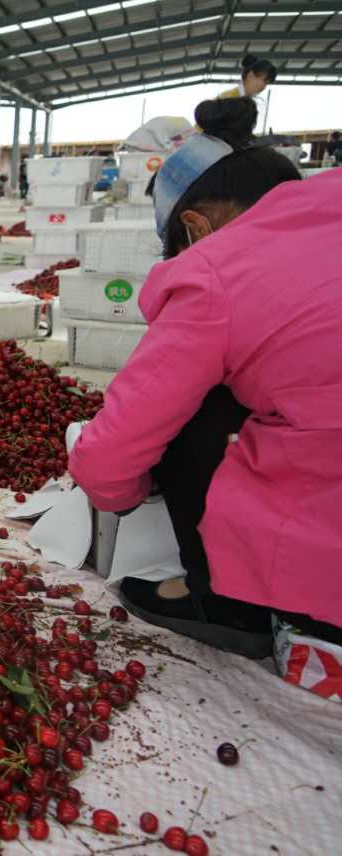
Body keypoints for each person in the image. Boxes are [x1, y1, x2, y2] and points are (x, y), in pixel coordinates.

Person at [68, 98, 342, 659]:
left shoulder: (216, 270)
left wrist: (128, 495)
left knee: (189, 407)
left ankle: (225, 603)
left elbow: (107, 457)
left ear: (195, 226)